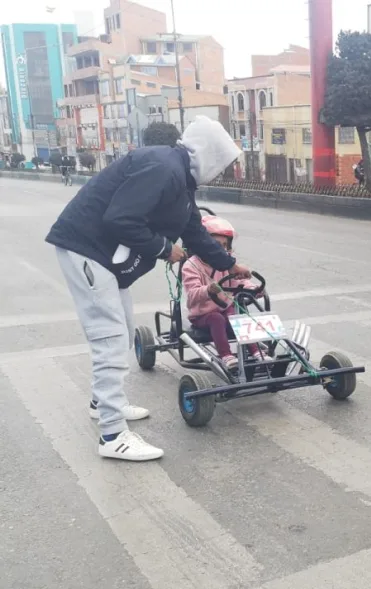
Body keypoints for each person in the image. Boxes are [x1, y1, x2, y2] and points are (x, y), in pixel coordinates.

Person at [45, 116, 250, 462]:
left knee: (122, 330)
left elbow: (195, 233)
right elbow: (120, 219)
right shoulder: (163, 168)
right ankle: (112, 434)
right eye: (222, 161)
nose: (222, 169)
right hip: (87, 249)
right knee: (109, 337)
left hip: (100, 255)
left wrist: (229, 265)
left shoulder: (180, 179)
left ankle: (102, 403)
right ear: (208, 153)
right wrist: (162, 248)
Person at [182, 215, 266, 369]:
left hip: (226, 308)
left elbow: (240, 281)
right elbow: (192, 296)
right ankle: (226, 356)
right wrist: (208, 290)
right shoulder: (191, 266)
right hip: (202, 315)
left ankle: (257, 351)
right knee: (216, 319)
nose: (220, 250)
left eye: (224, 246)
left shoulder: (227, 262)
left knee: (240, 315)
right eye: (216, 245)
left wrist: (254, 289)